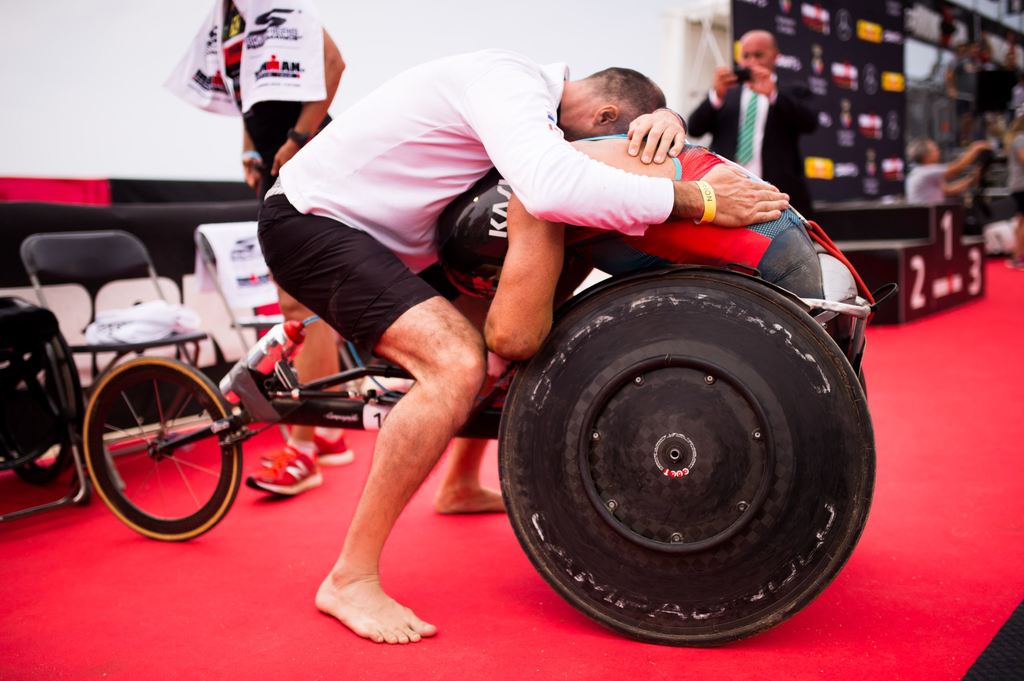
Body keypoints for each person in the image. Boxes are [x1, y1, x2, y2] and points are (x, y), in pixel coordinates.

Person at [258, 49, 789, 644]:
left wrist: (670, 122)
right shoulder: (509, 82)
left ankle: (458, 485)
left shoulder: (543, 102)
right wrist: (701, 202)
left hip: (402, 242)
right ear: (605, 111)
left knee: (517, 327)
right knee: (455, 364)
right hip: (315, 222)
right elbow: (552, 185)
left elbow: (593, 150)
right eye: (607, 142)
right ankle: (349, 579)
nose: (600, 155)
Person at [166, 0, 353, 494]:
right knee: (303, 305)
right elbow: (250, 96)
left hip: (308, 161)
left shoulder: (273, 5)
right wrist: (250, 149)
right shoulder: (228, 18)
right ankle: (327, 435)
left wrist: (295, 139)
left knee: (301, 303)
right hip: (277, 167)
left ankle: (304, 450)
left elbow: (333, 66)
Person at [687, 30, 818, 216]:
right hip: (726, 192)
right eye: (746, 55)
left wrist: (774, 94)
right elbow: (694, 127)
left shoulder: (793, 90)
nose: (752, 62)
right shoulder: (727, 93)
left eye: (759, 55)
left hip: (777, 194)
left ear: (775, 56)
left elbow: (810, 123)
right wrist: (716, 96)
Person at [904, 138, 991, 204]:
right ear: (926, 155)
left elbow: (948, 190)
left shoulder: (921, 172)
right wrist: (975, 148)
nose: (939, 151)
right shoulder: (925, 171)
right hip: (926, 218)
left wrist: (972, 179)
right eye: (935, 149)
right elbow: (957, 168)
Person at [1003, 116, 1024, 269]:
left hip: (1018, 185)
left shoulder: (1017, 138)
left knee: (1021, 222)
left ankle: (1017, 256)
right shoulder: (1021, 138)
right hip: (1022, 185)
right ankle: (1019, 257)